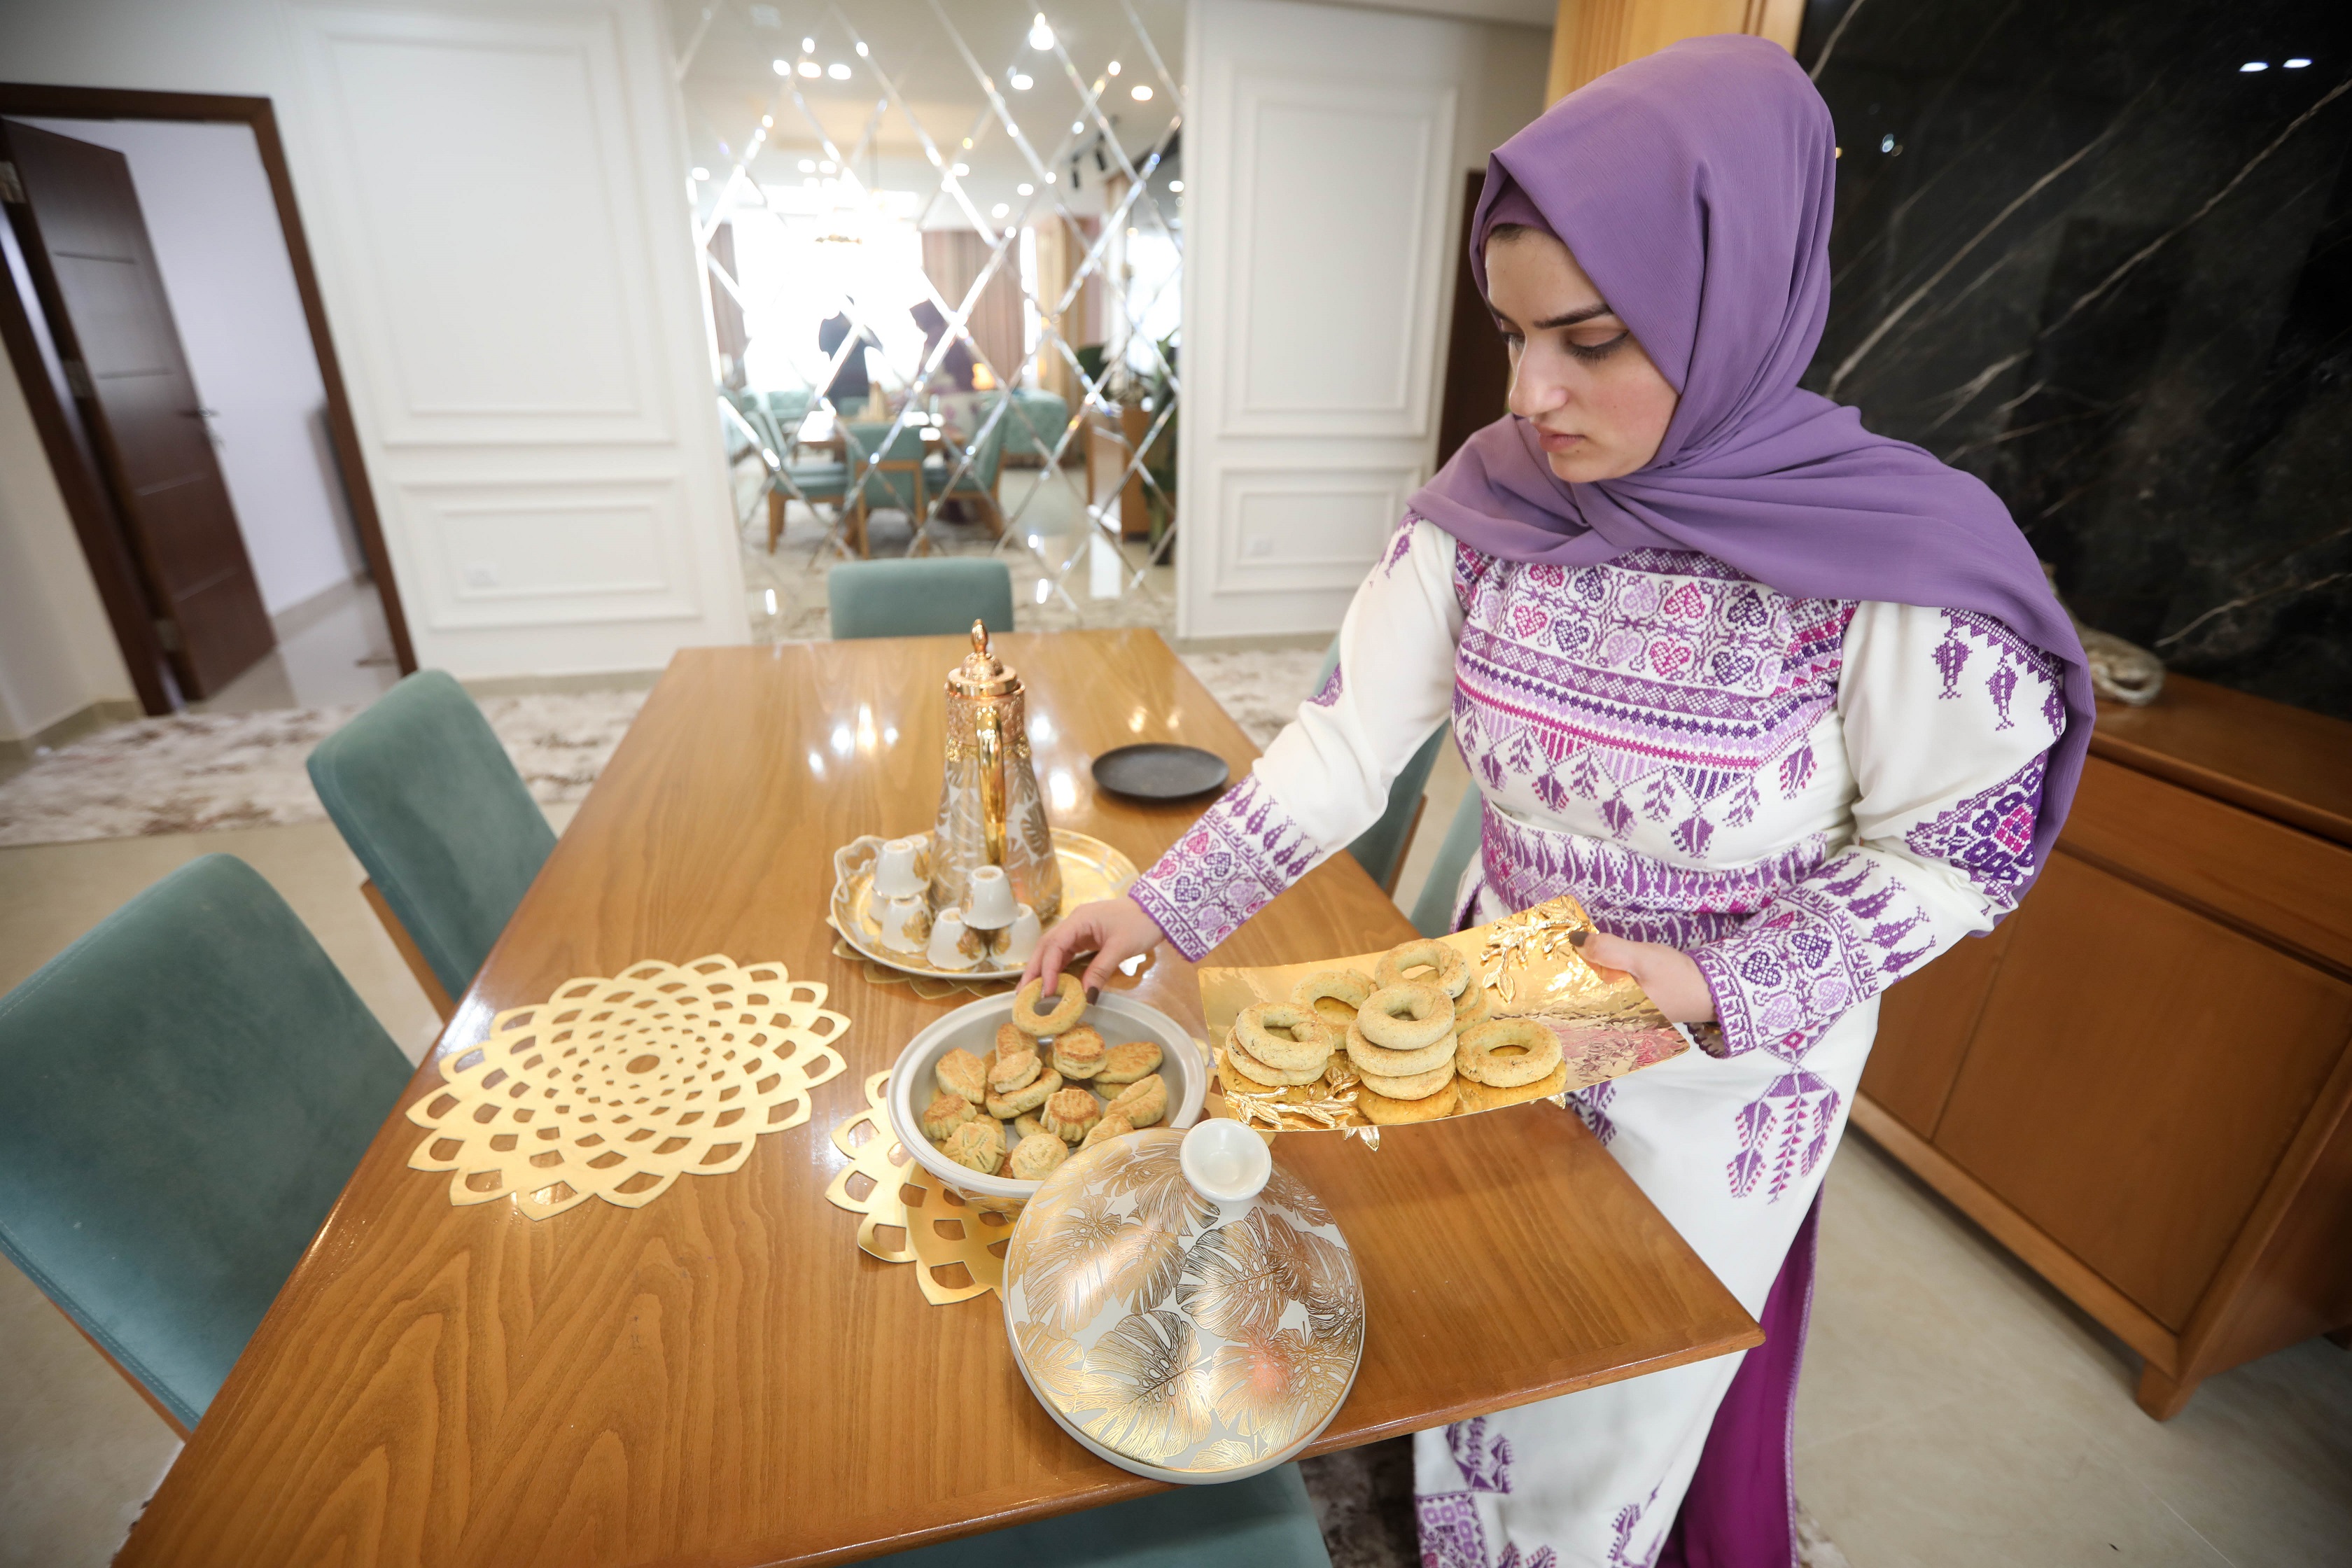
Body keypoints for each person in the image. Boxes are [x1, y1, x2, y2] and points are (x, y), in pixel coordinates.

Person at [1024, 34, 2093, 1568]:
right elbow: (1346, 741)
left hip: (1717, 1073)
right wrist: (1157, 902)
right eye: (1515, 335)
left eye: (1589, 339)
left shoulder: (1888, 562)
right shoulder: (1495, 507)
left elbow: (1962, 848)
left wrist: (1718, 979)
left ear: (1731, 304)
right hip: (1504, 1015)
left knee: (1612, 1399)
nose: (1532, 394)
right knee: (1477, 1312)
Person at [910, 300, 979, 392]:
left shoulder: (946, 343)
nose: (917, 325)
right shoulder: (932, 345)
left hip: (954, 400)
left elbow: (923, 377)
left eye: (917, 321)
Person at [818, 307, 881, 405]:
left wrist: (862, 326)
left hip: (860, 386)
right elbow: (822, 346)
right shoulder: (829, 325)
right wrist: (839, 328)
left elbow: (877, 344)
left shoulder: (859, 329)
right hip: (838, 383)